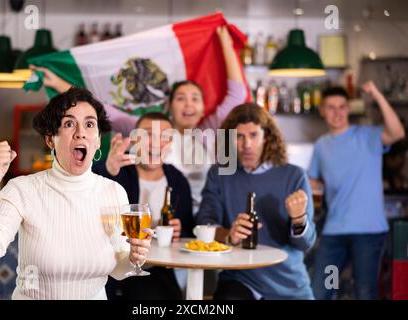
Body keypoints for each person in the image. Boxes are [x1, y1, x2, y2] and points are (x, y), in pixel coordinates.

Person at [32, 26, 247, 214]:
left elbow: (237, 95)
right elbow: (99, 107)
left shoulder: (210, 129)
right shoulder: (143, 126)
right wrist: (59, 83)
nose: (189, 104)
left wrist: (225, 43)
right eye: (181, 98)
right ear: (169, 106)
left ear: (203, 108)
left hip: (201, 220)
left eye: (195, 99)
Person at [0, 87, 153, 300]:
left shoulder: (113, 192)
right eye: (68, 124)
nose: (80, 132)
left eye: (89, 124)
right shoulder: (23, 189)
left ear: (98, 140)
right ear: (50, 139)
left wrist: (132, 258)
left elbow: (119, 271)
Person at [196, 103, 316, 300]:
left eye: (253, 135)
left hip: (287, 283)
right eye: (239, 137)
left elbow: (306, 244)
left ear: (267, 137)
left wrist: (299, 220)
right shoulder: (219, 174)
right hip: (239, 279)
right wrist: (229, 235)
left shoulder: (294, 176)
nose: (247, 145)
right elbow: (205, 223)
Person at [309, 81, 405, 300]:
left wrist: (377, 94)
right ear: (322, 111)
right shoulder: (321, 145)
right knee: (323, 290)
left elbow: (397, 132)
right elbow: (313, 182)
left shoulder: (367, 136)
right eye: (331, 107)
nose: (337, 112)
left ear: (349, 109)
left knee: (364, 293)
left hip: (368, 233)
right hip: (334, 234)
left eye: (342, 106)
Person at [93, 112, 194, 299]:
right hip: (114, 267)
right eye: (148, 134)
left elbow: (188, 230)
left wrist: (180, 232)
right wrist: (107, 170)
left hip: (158, 270)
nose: (156, 143)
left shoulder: (178, 181)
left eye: (165, 137)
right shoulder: (117, 169)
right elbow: (88, 200)